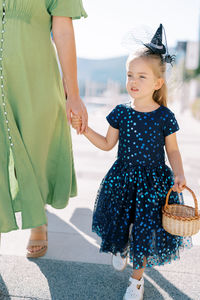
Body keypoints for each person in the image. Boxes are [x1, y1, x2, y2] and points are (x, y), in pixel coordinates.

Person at [72, 24, 192, 300]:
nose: (133, 81)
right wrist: (84, 128)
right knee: (121, 223)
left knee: (144, 229)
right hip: (122, 179)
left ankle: (136, 282)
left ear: (158, 83)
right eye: (129, 75)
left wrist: (179, 173)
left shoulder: (164, 116)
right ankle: (121, 247)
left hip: (153, 184)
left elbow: (172, 151)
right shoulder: (121, 113)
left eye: (141, 76)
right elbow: (106, 144)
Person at [0, 0, 88, 258]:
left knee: (35, 143)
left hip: (35, 74)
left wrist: (73, 95)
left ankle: (38, 216)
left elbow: (62, 31)